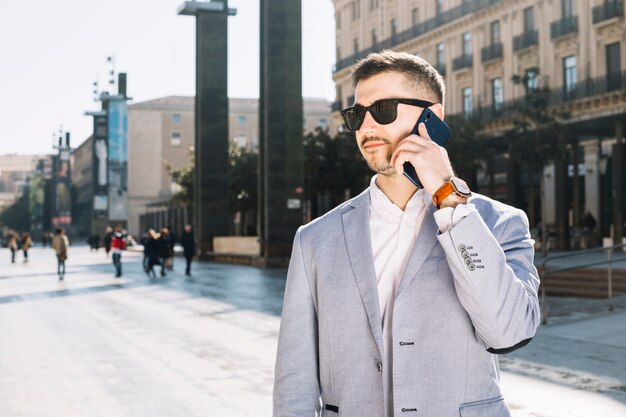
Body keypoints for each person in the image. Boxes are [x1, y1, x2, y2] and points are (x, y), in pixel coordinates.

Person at [273, 50, 540, 417]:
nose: (366, 128)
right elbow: (294, 379)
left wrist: (449, 198)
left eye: (383, 110)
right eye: (357, 115)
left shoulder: (499, 223)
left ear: (433, 116)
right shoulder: (314, 240)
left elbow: (509, 332)